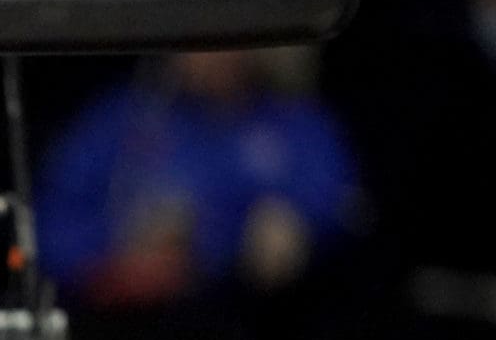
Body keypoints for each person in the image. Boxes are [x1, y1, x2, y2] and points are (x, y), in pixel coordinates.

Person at [34, 50, 358, 308]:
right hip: (135, 325)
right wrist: (123, 236)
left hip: (258, 323)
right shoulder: (122, 122)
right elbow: (51, 235)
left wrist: (301, 222)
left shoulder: (295, 123)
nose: (213, 54)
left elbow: (344, 206)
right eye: (200, 40)